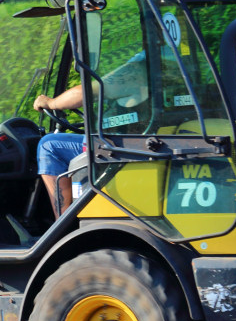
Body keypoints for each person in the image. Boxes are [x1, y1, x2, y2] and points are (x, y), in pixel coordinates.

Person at [32, 51, 150, 216]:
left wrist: (51, 102)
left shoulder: (141, 69)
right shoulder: (173, 66)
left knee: (49, 145)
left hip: (120, 148)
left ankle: (64, 221)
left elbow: (86, 92)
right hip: (141, 142)